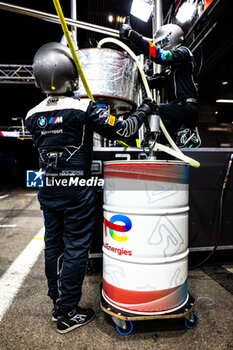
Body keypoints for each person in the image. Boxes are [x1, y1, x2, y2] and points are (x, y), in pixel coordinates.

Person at [25, 42, 157, 334]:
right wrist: (146, 108)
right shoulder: (85, 108)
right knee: (75, 249)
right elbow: (123, 131)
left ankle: (58, 303)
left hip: (48, 186)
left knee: (54, 246)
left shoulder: (31, 115)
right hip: (77, 189)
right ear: (71, 75)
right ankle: (68, 311)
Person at [119, 22, 201, 148]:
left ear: (170, 38)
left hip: (186, 108)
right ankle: (175, 139)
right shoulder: (174, 71)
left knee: (154, 109)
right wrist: (132, 73)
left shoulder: (183, 53)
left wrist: (132, 35)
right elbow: (151, 81)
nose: (160, 47)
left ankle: (153, 141)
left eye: (161, 43)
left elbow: (159, 56)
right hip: (178, 109)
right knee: (160, 124)